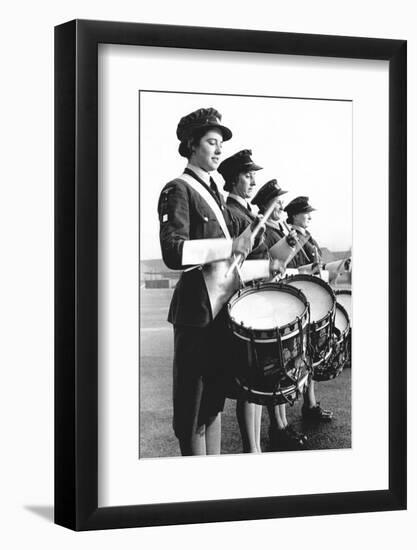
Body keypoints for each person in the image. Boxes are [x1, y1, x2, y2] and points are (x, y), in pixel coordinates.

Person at [158, 108, 255, 456]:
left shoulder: (214, 193)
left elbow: (241, 249)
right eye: (212, 143)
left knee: (213, 405)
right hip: (196, 313)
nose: (218, 150)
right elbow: (172, 251)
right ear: (191, 146)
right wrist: (230, 245)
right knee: (192, 411)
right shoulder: (178, 189)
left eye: (220, 144)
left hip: (220, 313)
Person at [251, 181, 308, 450]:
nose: (281, 209)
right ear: (266, 206)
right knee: (275, 367)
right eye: (277, 204)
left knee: (285, 366)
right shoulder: (266, 230)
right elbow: (267, 262)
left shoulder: (281, 229)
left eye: (282, 205)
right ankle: (277, 427)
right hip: (272, 299)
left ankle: (284, 424)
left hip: (284, 297)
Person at [217, 149, 266, 452]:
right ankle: (252, 449)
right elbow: (233, 263)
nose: (253, 180)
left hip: (255, 300)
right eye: (247, 175)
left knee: (258, 381)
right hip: (241, 301)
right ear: (234, 179)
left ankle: (257, 447)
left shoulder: (246, 212)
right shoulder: (231, 213)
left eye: (253, 175)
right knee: (248, 384)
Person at [284, 196, 334, 422]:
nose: (310, 217)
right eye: (306, 213)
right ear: (294, 215)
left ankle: (310, 404)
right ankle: (301, 409)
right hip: (300, 299)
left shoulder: (307, 236)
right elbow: (287, 269)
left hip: (312, 297)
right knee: (301, 356)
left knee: (311, 353)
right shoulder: (291, 237)